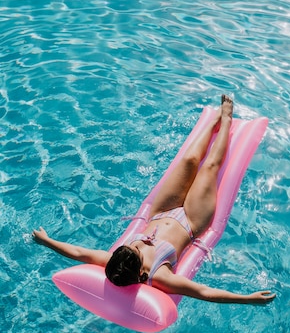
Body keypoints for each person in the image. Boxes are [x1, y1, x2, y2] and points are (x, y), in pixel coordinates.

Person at [33, 96, 275, 305]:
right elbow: (203, 292)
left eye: (130, 246)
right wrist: (248, 298)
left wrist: (47, 241)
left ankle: (211, 121)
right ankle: (226, 120)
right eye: (136, 251)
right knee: (209, 167)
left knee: (189, 160)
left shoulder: (117, 258)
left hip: (161, 212)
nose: (137, 245)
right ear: (141, 271)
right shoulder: (159, 276)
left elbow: (78, 252)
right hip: (191, 221)